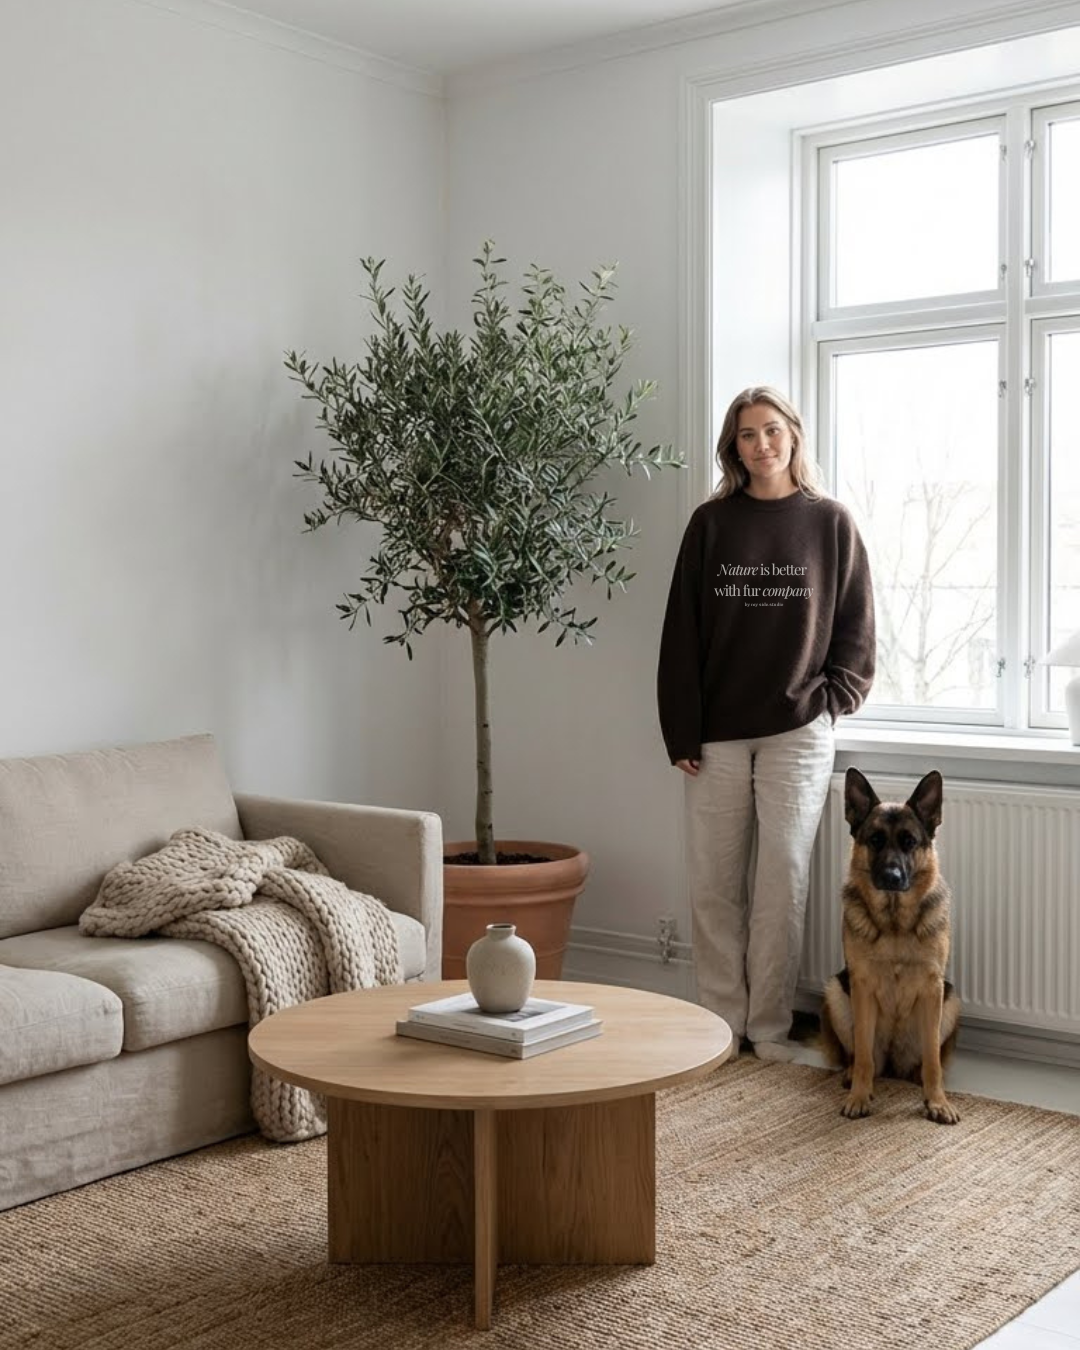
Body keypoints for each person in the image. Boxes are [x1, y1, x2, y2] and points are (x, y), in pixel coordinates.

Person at [657, 386, 875, 1062]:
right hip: (716, 733)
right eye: (748, 435)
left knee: (783, 880)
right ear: (734, 447)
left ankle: (771, 1028)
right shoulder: (711, 524)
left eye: (772, 430)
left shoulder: (830, 523)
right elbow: (681, 634)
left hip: (797, 732)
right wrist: (680, 729)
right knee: (715, 885)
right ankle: (721, 1025)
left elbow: (858, 628)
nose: (762, 444)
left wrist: (834, 696)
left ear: (794, 436)